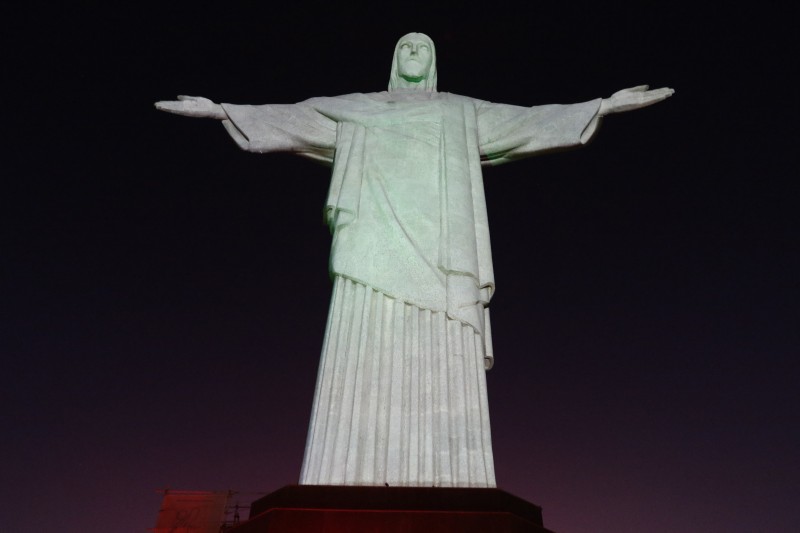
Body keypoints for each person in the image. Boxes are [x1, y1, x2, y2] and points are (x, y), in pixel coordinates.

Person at [156, 32, 673, 488]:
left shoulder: (458, 111)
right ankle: (341, 472)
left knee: (444, 341)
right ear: (393, 58)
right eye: (404, 45)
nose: (411, 52)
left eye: (421, 47)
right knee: (363, 337)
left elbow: (525, 122)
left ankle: (453, 479)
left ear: (432, 61)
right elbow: (296, 118)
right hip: (371, 244)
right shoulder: (357, 106)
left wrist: (600, 106)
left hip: (442, 250)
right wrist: (224, 110)